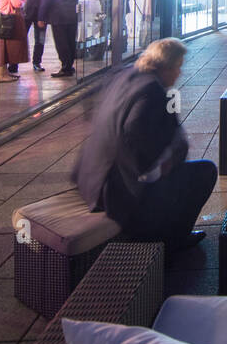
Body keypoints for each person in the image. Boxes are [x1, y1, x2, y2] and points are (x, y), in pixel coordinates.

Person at [74, 38, 215, 255]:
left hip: (90, 179)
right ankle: (172, 242)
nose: (180, 74)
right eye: (178, 67)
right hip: (116, 190)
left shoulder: (125, 74)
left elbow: (90, 105)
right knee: (205, 172)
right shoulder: (152, 92)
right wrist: (163, 165)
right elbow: (134, 142)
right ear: (165, 67)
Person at [38, 0, 78, 78]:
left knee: (61, 42)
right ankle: (69, 65)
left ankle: (65, 67)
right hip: (72, 14)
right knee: (71, 40)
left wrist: (41, 17)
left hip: (58, 15)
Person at [0, 0, 28, 81]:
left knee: (2, 47)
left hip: (1, 19)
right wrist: (24, 0)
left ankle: (4, 73)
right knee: (9, 47)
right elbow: (17, 4)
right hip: (10, 19)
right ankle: (1, 75)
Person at [18, 0, 45, 71]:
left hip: (41, 13)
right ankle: (14, 64)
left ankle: (37, 63)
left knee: (40, 39)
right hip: (27, 13)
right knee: (21, 37)